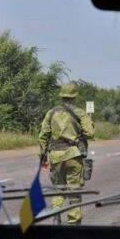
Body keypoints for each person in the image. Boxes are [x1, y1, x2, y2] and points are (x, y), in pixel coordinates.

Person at [39, 83, 95, 225]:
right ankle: (73, 223)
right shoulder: (80, 113)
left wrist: (43, 155)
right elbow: (90, 133)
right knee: (74, 190)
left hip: (55, 155)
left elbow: (43, 136)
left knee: (58, 188)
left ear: (62, 95)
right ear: (75, 96)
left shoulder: (51, 112)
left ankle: (56, 213)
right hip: (74, 155)